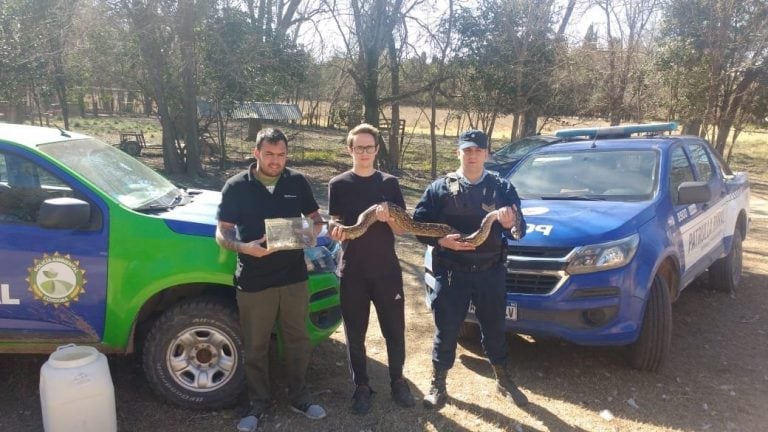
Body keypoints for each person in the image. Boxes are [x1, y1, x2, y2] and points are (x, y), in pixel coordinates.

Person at [215, 128, 327, 432]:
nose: (276, 161)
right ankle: (257, 403)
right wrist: (243, 247)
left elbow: (316, 219)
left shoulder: (297, 181)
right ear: (257, 153)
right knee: (255, 345)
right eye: (269, 154)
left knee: (298, 341)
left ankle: (299, 396)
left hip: (293, 278)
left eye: (281, 155)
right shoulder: (236, 186)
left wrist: (311, 231)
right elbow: (222, 231)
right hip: (254, 279)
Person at [412, 129, 529, 409]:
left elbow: (519, 231)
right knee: (447, 329)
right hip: (451, 272)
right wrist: (440, 241)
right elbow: (418, 227)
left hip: (490, 272)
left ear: (486, 153)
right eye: (467, 150)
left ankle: (503, 378)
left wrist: (510, 222)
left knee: (494, 327)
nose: (472, 155)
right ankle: (438, 385)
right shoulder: (439, 188)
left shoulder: (503, 188)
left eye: (478, 150)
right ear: (459, 153)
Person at [327, 123, 416, 414]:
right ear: (349, 149)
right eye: (358, 147)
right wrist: (334, 230)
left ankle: (398, 380)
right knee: (355, 333)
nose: (364, 153)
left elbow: (402, 230)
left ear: (376, 150)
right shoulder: (338, 184)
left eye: (369, 147)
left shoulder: (389, 183)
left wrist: (387, 216)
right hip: (352, 270)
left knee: (394, 330)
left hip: (386, 271)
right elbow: (335, 224)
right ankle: (361, 386)